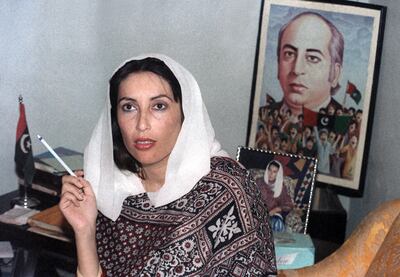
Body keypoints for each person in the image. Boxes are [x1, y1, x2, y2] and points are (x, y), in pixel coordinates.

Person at [59, 54, 277, 276]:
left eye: (159, 106)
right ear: (115, 118)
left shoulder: (228, 188)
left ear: (185, 113)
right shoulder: (111, 193)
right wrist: (85, 231)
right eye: (129, 107)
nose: (142, 124)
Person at [268, 11, 344, 119]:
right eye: (289, 54)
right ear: (278, 63)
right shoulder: (263, 116)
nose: (297, 69)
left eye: (312, 58)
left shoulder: (346, 123)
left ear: (335, 74)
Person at [256, 160, 294, 232]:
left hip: (273, 216)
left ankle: (274, 242)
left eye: (274, 172)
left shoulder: (281, 187)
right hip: (259, 213)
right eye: (269, 170)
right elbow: (252, 197)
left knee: (276, 223)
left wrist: (276, 209)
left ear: (278, 174)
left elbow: (289, 205)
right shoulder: (259, 182)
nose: (271, 174)